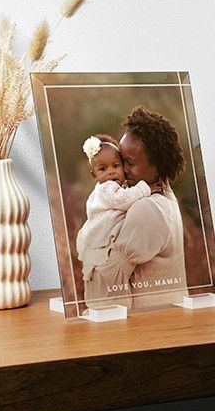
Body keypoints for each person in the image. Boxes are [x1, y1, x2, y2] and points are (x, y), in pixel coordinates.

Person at [84, 106, 188, 309]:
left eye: (130, 163)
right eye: (121, 160)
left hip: (148, 321)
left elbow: (109, 278)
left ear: (157, 166)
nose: (122, 169)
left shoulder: (147, 208)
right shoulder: (166, 198)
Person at [75, 134, 162, 283]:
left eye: (116, 166)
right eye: (103, 169)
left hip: (103, 230)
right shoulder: (106, 188)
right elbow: (124, 200)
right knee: (102, 265)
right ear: (94, 174)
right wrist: (145, 188)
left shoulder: (115, 187)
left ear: (123, 167)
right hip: (100, 233)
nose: (111, 172)